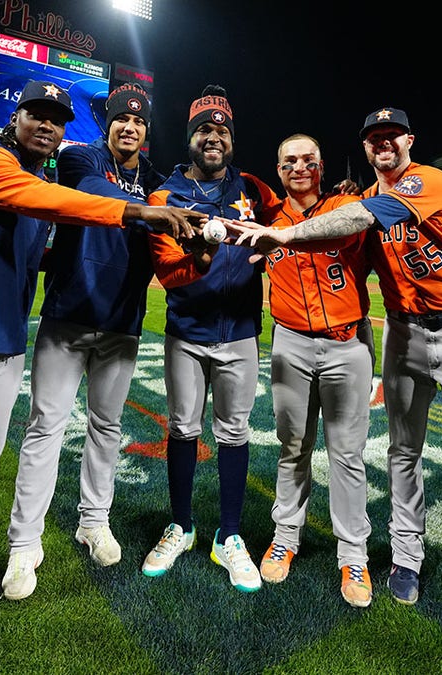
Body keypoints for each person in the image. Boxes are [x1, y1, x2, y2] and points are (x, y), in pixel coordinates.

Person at [0, 79, 203, 669]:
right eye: (37, 115)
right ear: (17, 116)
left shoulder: (42, 185)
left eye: (57, 119)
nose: (48, 126)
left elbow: (46, 250)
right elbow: (56, 204)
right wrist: (139, 211)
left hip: (4, 343)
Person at [229, 107, 442, 637]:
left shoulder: (423, 182)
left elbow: (357, 222)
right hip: (400, 334)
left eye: (391, 136)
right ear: (365, 147)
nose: (383, 144)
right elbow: (342, 253)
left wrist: (284, 235)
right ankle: (405, 559)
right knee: (399, 452)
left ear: (408, 140)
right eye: (374, 138)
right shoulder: (355, 197)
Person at [2, 83, 167, 600]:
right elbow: (96, 193)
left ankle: (93, 522)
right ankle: (24, 542)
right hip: (68, 317)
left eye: (138, 123)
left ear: (145, 132)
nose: (130, 127)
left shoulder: (158, 182)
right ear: (109, 124)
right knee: (45, 426)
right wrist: (150, 210)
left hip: (122, 322)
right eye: (121, 119)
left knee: (107, 427)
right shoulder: (79, 158)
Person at [139, 84, 280, 593]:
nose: (213, 136)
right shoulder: (164, 197)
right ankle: (181, 525)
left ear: (232, 139)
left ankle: (231, 535)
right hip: (187, 331)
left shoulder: (256, 190)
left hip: (240, 332)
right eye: (204, 129)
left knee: (235, 432)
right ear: (190, 138)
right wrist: (198, 258)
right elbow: (169, 273)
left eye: (222, 129)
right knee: (182, 428)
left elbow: (291, 222)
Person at [251, 133, 375, 608]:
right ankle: (286, 537)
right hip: (291, 343)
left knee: (347, 454)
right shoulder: (266, 217)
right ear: (278, 170)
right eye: (289, 162)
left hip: (347, 342)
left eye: (307, 160)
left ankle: (353, 554)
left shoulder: (348, 207)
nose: (299, 167)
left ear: (321, 166)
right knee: (293, 447)